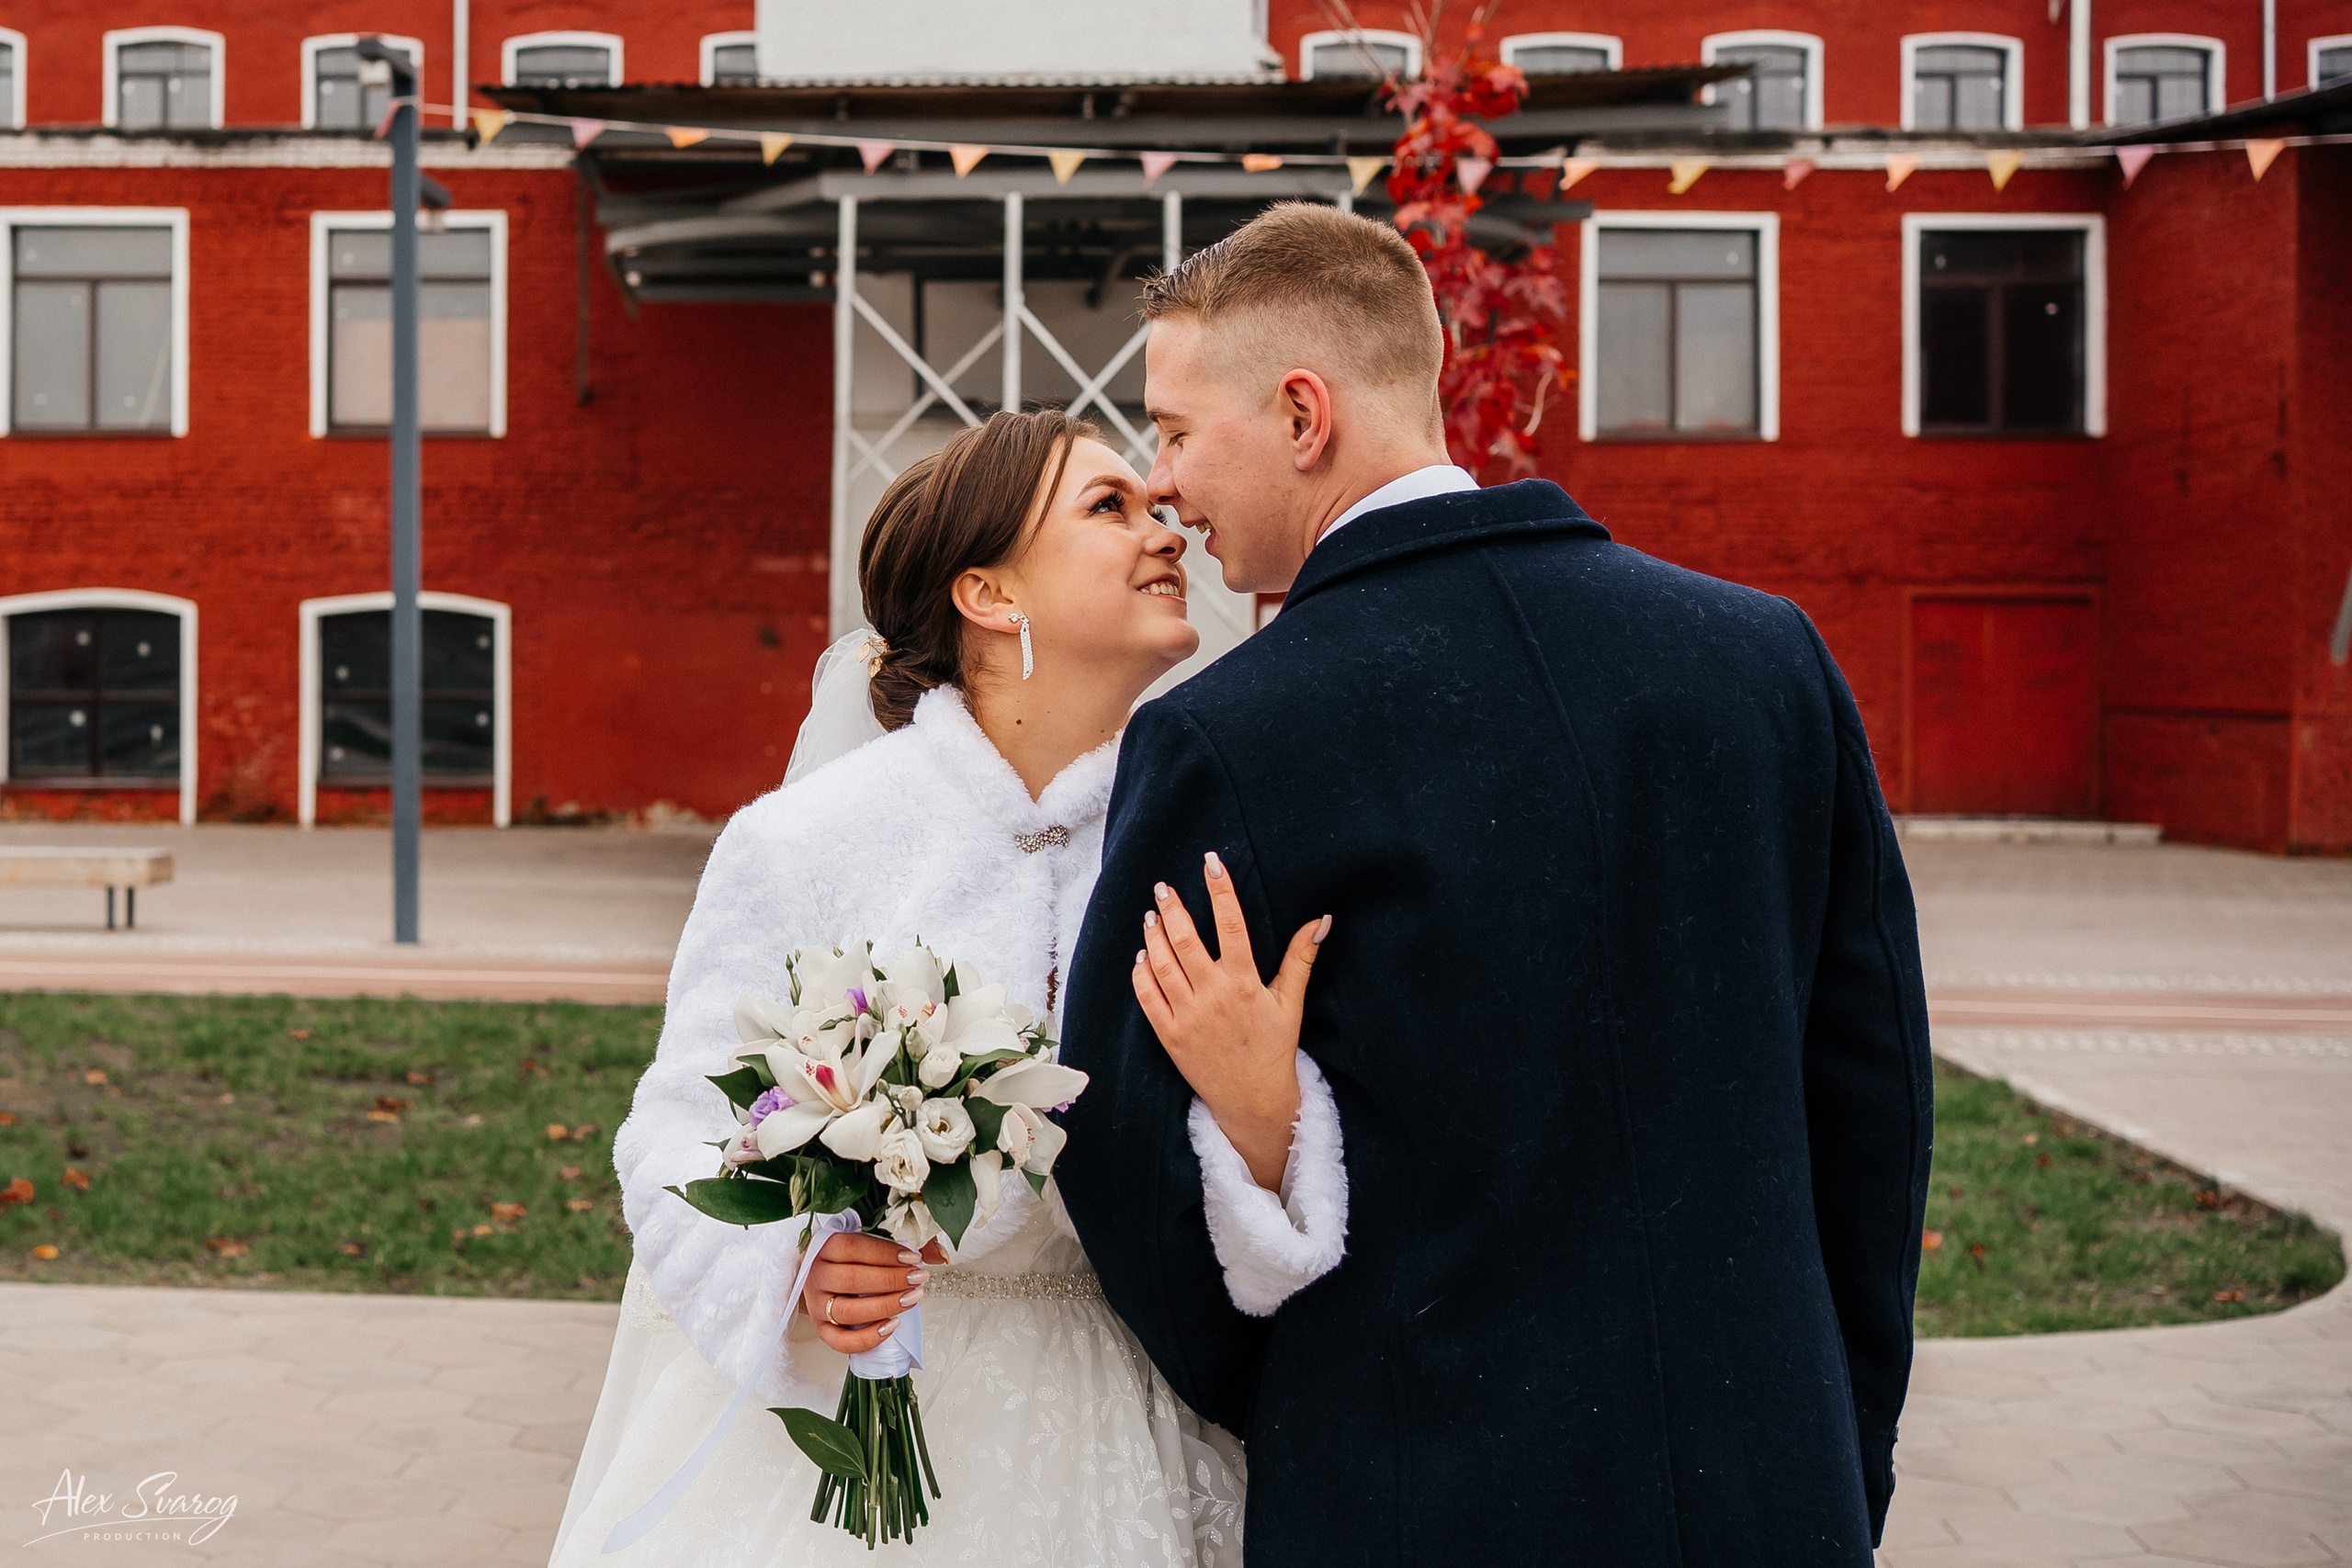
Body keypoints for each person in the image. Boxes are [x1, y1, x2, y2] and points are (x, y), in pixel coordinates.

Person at [1057, 202, 1936, 1565]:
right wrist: (1832, 1439)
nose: (1162, 481)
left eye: (1173, 431)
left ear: (1303, 415)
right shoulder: (1768, 660)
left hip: (1414, 1500)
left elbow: (1128, 1176)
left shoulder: (1228, 739)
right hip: (1770, 1485)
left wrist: (1306, 1418)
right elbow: (1873, 1115)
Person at [548, 410, 1344, 1567]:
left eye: (1154, 500)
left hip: (1126, 1417)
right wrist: (800, 1266)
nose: (1165, 528)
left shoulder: (1210, 841)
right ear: (989, 595)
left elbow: (1272, 1170)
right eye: (1108, 507)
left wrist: (1262, 1117)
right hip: (854, 1424)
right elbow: (675, 1131)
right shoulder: (805, 841)